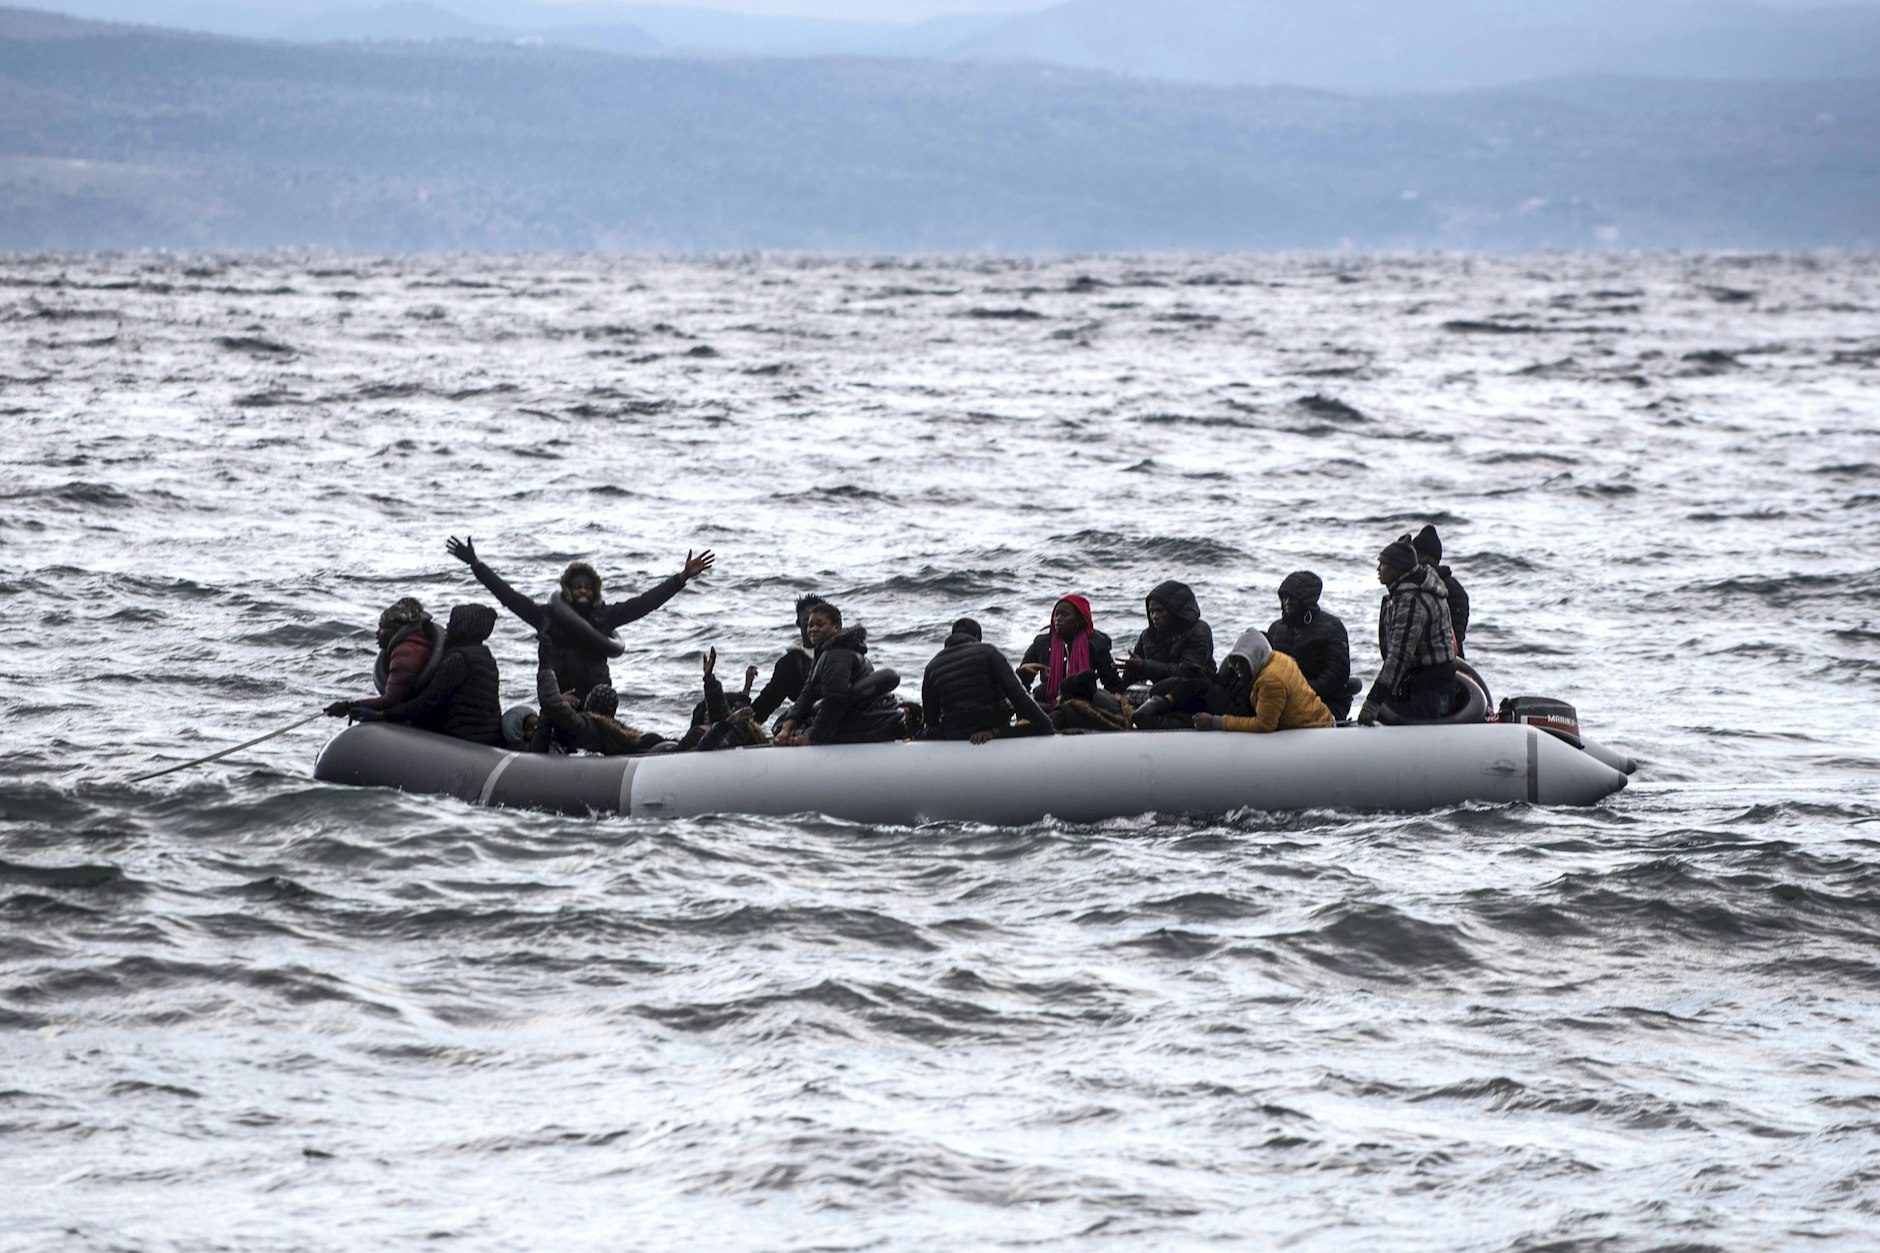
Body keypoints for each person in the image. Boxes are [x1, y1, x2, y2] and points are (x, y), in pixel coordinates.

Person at [445, 535, 714, 704]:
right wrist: (476, 565)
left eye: (587, 586)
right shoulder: (547, 617)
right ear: (568, 591)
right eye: (577, 586)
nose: (582, 590)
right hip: (559, 696)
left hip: (597, 695)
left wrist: (681, 578)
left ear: (594, 589)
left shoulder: (607, 616)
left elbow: (646, 603)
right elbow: (509, 596)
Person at [364, 604, 504, 745]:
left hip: (466, 736)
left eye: (453, 623)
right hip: (488, 733)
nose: (448, 627)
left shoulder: (458, 659)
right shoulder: (485, 656)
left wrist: (382, 715)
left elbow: (428, 701)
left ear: (462, 627)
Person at [1359, 534, 1458, 726]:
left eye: (1383, 564)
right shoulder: (1403, 594)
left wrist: (1373, 701)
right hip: (1419, 684)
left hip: (1430, 689)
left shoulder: (1412, 600)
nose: (1378, 569)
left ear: (1397, 568)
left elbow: (1398, 656)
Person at [774, 602, 907, 746]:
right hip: (843, 714)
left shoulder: (838, 654)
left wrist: (812, 738)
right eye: (810, 625)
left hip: (857, 716)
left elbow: (834, 700)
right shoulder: (823, 652)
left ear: (836, 627)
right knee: (782, 722)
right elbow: (808, 693)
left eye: (820, 624)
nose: (813, 629)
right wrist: (787, 728)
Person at [920, 618, 1056, 745]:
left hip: (955, 733)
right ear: (978, 637)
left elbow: (931, 718)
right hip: (992, 726)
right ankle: (997, 733)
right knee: (1039, 724)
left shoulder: (932, 666)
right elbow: (1018, 697)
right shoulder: (988, 652)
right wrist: (1047, 726)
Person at [531, 638, 659, 756]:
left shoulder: (582, 726)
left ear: (589, 702)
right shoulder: (623, 738)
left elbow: (551, 702)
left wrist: (546, 664)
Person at [1018, 595, 1128, 731]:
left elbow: (1111, 683)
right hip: (1048, 699)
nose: (1058, 618)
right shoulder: (1042, 643)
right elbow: (1019, 685)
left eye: (1064, 614)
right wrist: (1022, 672)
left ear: (1079, 620)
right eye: (1056, 614)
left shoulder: (1095, 644)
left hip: (1083, 701)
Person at [1191, 629, 1333, 733]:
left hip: (1313, 731)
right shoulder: (1278, 657)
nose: (1238, 668)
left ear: (1255, 656)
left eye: (1243, 661)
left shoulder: (1270, 680)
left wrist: (1215, 722)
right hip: (1321, 719)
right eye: (1235, 662)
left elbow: (1264, 725)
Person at [324, 597, 442, 720]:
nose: (377, 632)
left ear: (397, 630)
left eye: (382, 627)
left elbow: (391, 700)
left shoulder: (406, 652)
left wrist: (348, 706)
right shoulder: (417, 643)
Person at [1265, 571, 1353, 721]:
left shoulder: (1331, 627)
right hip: (1284, 699)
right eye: (1284, 597)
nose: (1287, 602)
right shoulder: (1276, 630)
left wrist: (1304, 693)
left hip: (1327, 700)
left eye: (1293, 598)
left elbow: (1337, 673)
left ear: (1307, 600)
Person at [751, 593, 829, 725]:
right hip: (814, 721)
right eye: (808, 621)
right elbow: (768, 700)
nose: (814, 627)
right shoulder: (790, 664)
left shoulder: (842, 650)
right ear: (798, 623)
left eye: (819, 623)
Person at [1121, 581, 1215, 687]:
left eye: (1160, 610)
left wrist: (1144, 666)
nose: (1154, 616)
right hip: (1160, 690)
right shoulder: (1148, 635)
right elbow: (1131, 676)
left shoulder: (1199, 631)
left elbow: (1188, 671)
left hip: (1196, 692)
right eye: (1151, 611)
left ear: (1174, 611)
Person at [676, 648, 769, 752]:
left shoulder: (727, 736)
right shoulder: (726, 728)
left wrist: (731, 719)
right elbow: (725, 709)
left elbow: (731, 722)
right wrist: (709, 678)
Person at [1412, 525, 1471, 657]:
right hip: (1454, 657)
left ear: (1420, 555)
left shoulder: (1432, 587)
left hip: (1441, 659)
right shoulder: (1455, 587)